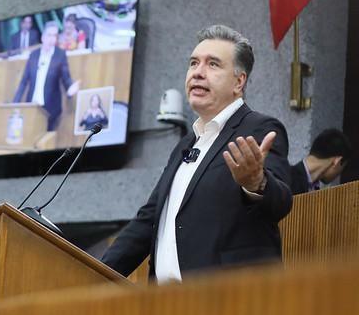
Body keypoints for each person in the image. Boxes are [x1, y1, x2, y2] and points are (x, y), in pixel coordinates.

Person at [101, 24, 293, 282]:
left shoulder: (259, 129)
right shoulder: (186, 144)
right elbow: (148, 222)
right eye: (193, 63)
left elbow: (281, 202)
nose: (198, 73)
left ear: (239, 82)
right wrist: (92, 274)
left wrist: (256, 183)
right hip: (165, 307)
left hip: (229, 304)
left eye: (213, 64)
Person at [13, 22, 80, 131]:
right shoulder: (33, 55)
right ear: (43, 37)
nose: (52, 39)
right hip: (32, 106)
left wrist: (70, 90)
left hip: (50, 109)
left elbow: (66, 78)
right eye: (49, 35)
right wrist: (14, 104)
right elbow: (24, 82)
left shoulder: (60, 55)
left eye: (55, 36)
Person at [290, 128, 352, 194]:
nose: (337, 176)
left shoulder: (316, 190)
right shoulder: (285, 178)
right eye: (341, 171)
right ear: (337, 161)